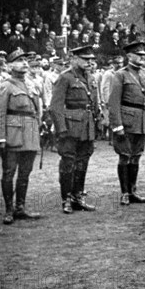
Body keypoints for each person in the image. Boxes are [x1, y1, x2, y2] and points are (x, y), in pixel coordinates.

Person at [48, 45, 100, 214]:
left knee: (83, 161)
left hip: (86, 126)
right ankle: (66, 199)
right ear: (74, 59)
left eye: (91, 59)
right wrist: (61, 129)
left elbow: (94, 103)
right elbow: (55, 106)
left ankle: (78, 197)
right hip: (70, 127)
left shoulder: (91, 78)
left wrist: (96, 123)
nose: (89, 62)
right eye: (85, 59)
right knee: (68, 162)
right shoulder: (65, 78)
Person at [108, 41, 145, 206]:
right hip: (126, 121)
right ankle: (124, 193)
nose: (142, 57)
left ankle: (133, 191)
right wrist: (117, 125)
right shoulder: (120, 75)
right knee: (125, 157)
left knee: (136, 157)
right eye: (138, 54)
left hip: (141, 120)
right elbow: (113, 102)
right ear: (129, 56)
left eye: (143, 54)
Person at [0, 49, 42, 224]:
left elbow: (37, 110)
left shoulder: (31, 84)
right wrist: (1, 137)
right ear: (9, 66)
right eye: (18, 60)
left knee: (25, 173)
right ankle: (9, 210)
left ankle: (20, 208)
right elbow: (0, 113)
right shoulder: (5, 86)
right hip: (12, 135)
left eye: (25, 60)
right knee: (9, 172)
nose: (24, 63)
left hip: (30, 134)